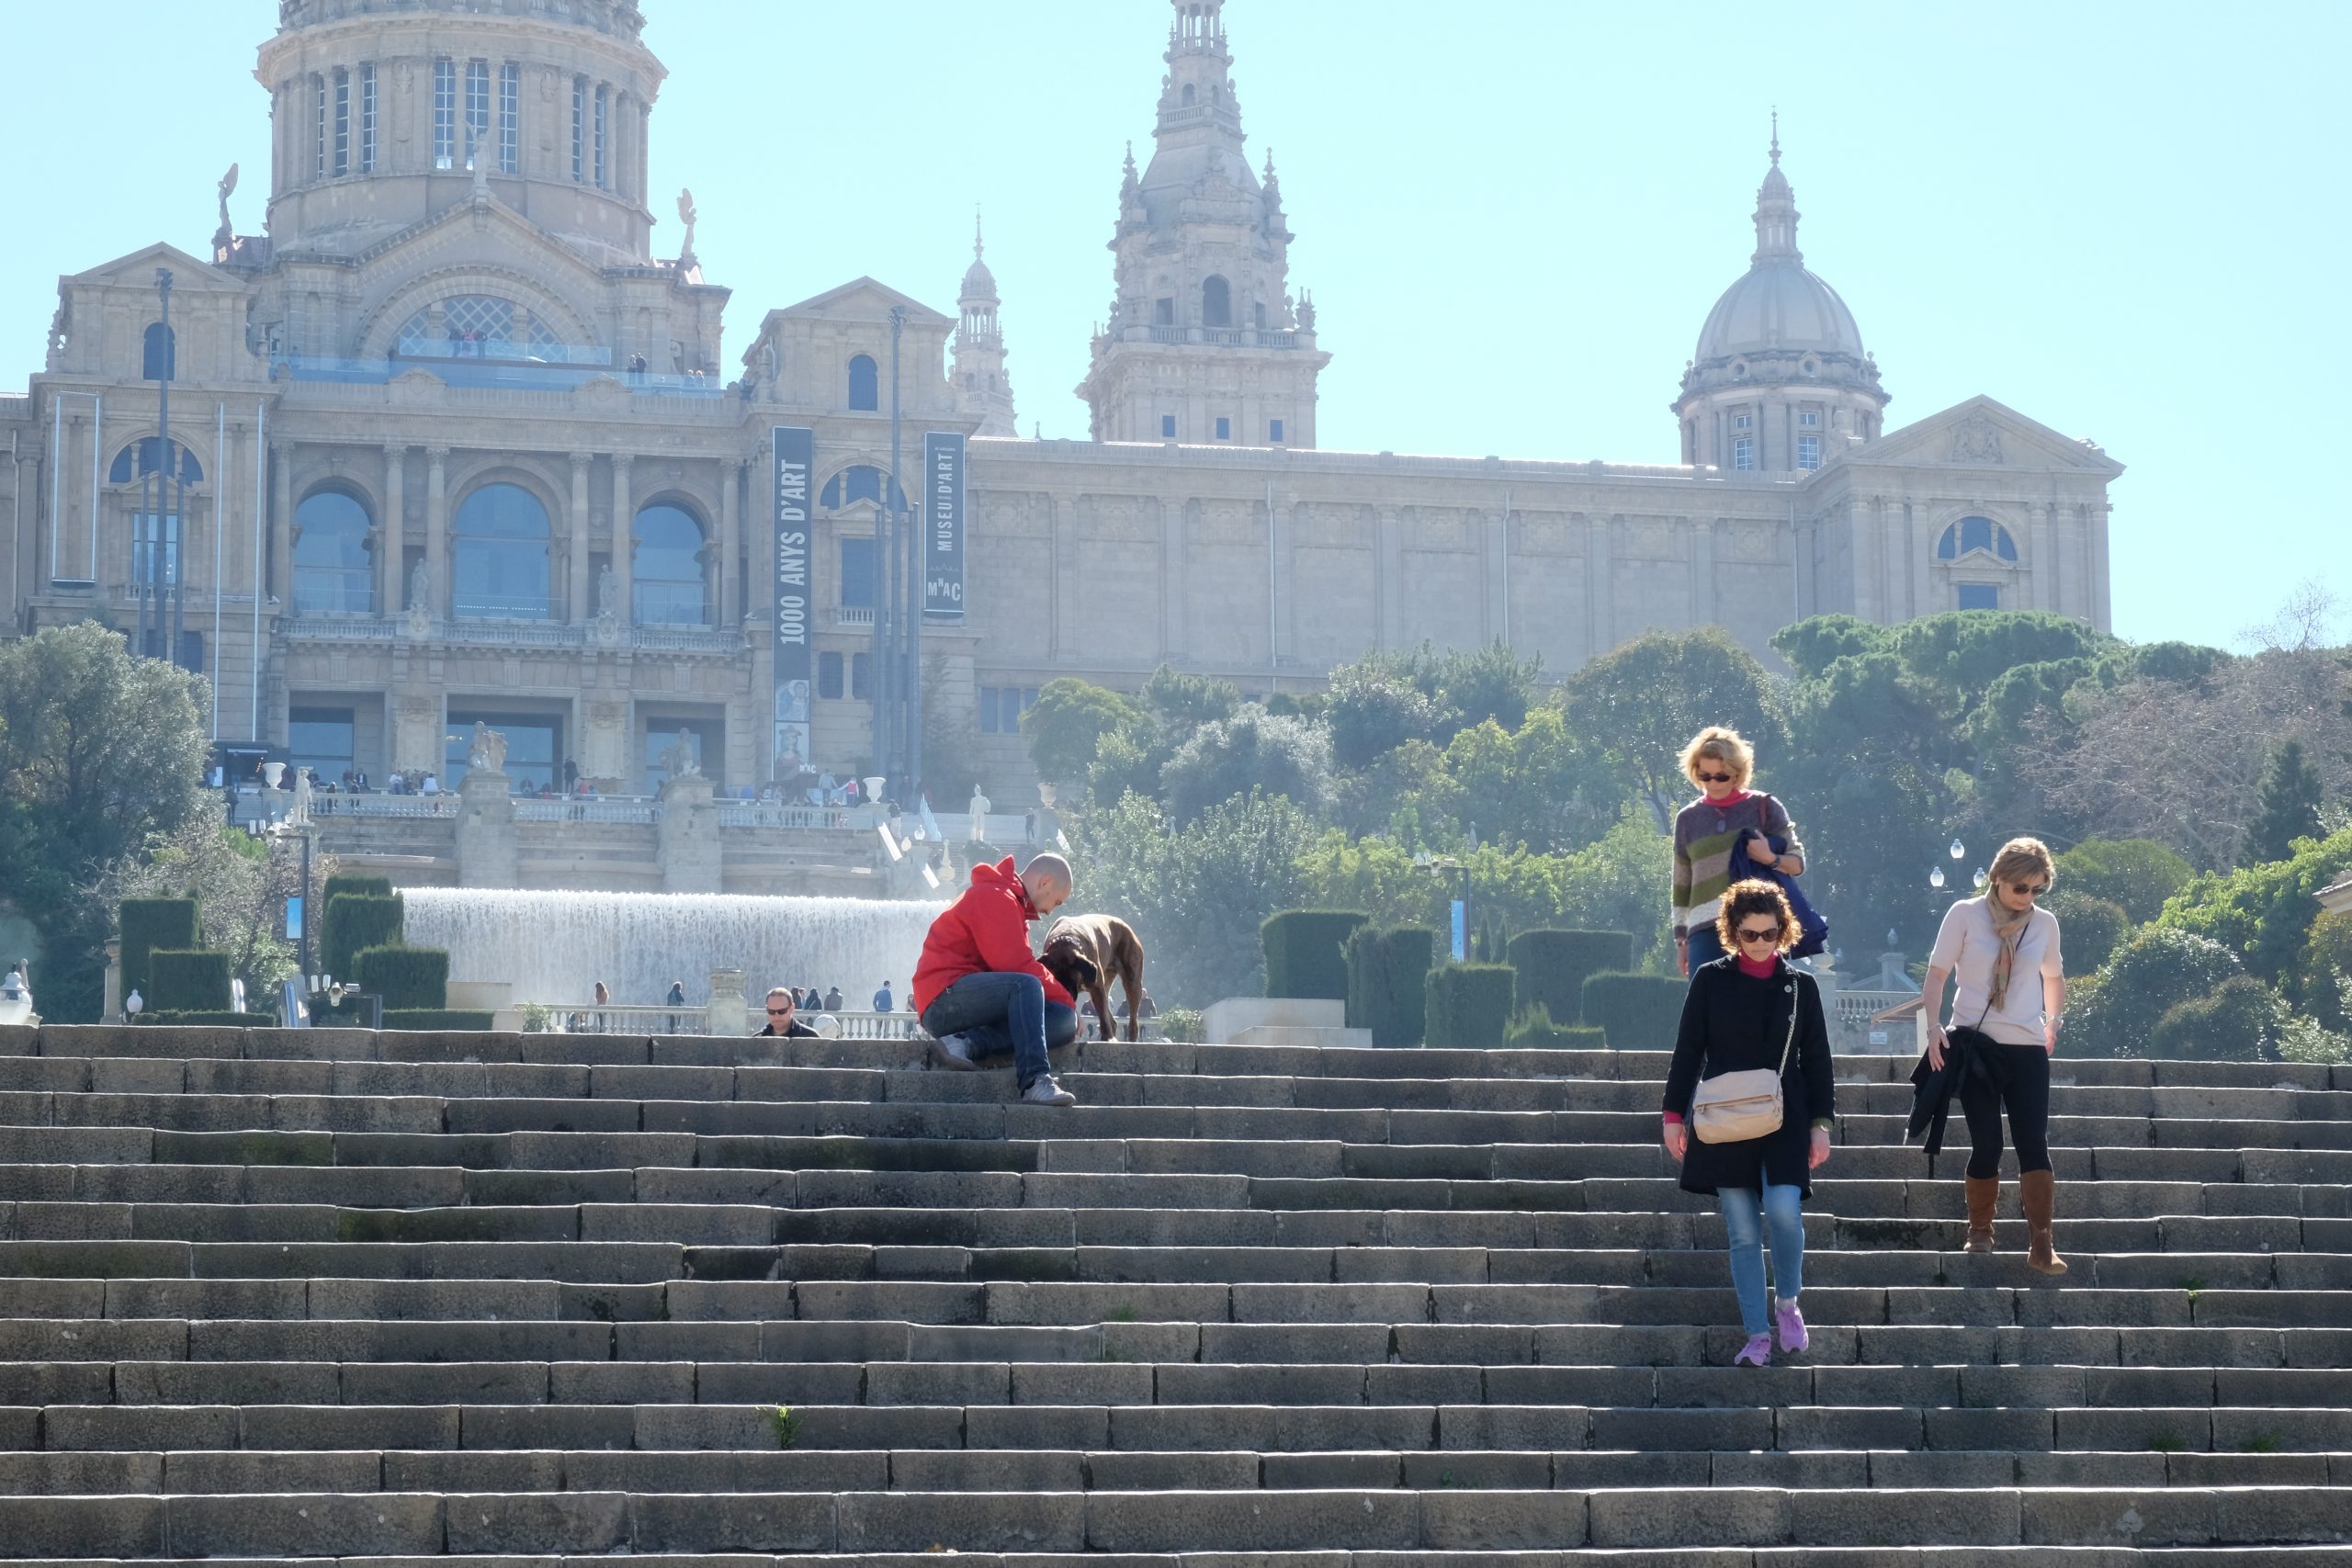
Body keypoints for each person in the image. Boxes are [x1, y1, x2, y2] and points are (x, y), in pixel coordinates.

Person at [1662, 878, 1835, 1368]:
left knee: (1783, 1210)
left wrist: (1821, 1124)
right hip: (1724, 1118)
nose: (1759, 942)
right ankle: (1757, 1335)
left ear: (1784, 931)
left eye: (1769, 933)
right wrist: (1673, 1116)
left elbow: (1817, 1060)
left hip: (1786, 1116)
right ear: (1732, 931)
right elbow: (1688, 1050)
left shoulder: (1801, 987)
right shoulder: (1710, 980)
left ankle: (1788, 1304)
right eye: (1749, 934)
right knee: (1741, 1231)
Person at [1923, 837, 2068, 1275]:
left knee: (2033, 1142)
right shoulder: (1964, 914)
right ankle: (1980, 1229)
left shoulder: (2044, 924)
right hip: (1976, 1047)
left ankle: (2042, 1242)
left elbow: (2054, 976)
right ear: (1998, 878)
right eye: (2020, 888)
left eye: (2038, 889)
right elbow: (1937, 974)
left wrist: (2054, 1021)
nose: (2028, 897)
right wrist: (1933, 1027)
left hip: (2028, 1047)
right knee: (1987, 1142)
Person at [912, 851, 1081, 1106]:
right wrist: (1067, 998)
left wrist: (1067, 1008)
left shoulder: (1011, 903)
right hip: (943, 1001)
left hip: (969, 1002)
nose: (1049, 911)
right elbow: (1016, 966)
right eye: (1056, 902)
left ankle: (964, 1042)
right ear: (1045, 882)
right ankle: (1035, 1081)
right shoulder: (995, 896)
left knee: (1063, 1020)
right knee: (1026, 985)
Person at [1672, 726, 1805, 978]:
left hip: (1756, 930)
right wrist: (1681, 941)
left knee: (1756, 1000)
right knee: (1704, 1001)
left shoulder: (1764, 806)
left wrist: (1770, 858)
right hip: (1704, 931)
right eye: (1705, 776)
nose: (1712, 783)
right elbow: (1681, 886)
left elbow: (1797, 863)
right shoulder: (1687, 819)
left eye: (1721, 776)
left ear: (1737, 773)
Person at [754, 987, 818, 1038]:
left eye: (781, 1011)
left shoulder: (812, 1037)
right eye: (771, 1011)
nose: (776, 1016)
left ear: (792, 1009)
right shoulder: (756, 1040)